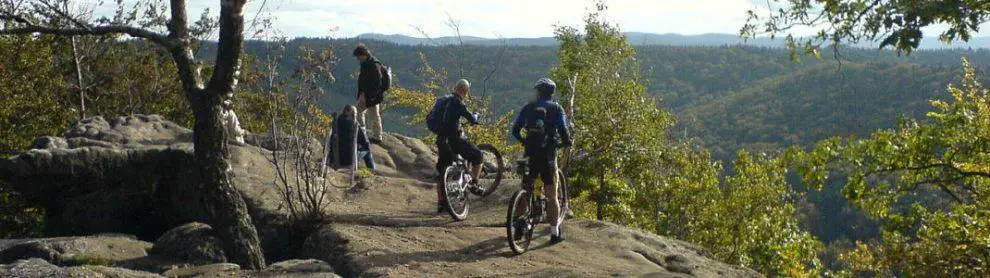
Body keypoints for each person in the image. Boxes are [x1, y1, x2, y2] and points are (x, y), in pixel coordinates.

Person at [511, 78, 572, 244]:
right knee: (552, 195)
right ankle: (554, 233)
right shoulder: (557, 109)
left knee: (526, 187)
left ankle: (518, 224)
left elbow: (515, 130)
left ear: (538, 92)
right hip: (548, 156)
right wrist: (564, 143)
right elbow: (565, 134)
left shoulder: (528, 107)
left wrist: (524, 141)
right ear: (552, 93)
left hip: (530, 153)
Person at [435, 79, 484, 213]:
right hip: (453, 139)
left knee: (442, 170)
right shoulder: (457, 102)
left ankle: (441, 203)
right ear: (465, 91)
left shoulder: (441, 101)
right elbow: (472, 119)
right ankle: (474, 183)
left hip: (440, 139)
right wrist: (476, 115)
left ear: (454, 87)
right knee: (478, 155)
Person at [353, 44, 385, 144]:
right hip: (365, 94)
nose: (358, 59)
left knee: (371, 114)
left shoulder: (373, 65)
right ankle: (367, 134)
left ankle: (375, 136)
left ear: (364, 54)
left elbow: (378, 83)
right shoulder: (367, 63)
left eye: (358, 56)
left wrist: (372, 96)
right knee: (358, 112)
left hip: (371, 96)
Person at [330, 105, 376, 171]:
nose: (355, 115)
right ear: (346, 111)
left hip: (334, 158)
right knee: (367, 151)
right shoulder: (355, 124)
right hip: (348, 160)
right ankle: (372, 170)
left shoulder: (335, 122)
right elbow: (365, 142)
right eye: (354, 113)